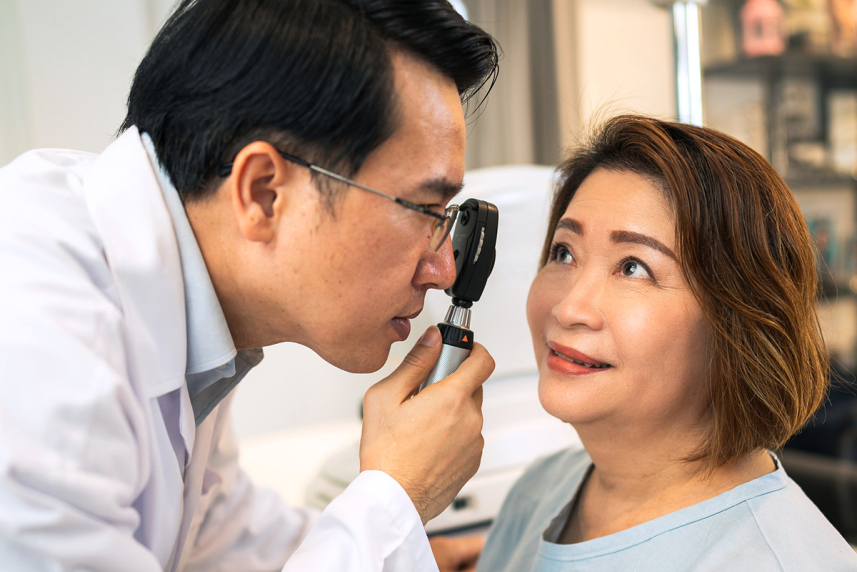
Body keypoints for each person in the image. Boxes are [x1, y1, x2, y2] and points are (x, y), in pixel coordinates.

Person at [0, 1, 499, 570]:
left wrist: (413, 548)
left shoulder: (181, 298)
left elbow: (215, 531)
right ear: (263, 193)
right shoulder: (46, 356)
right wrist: (395, 500)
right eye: (425, 211)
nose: (443, 269)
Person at [476, 115, 857, 571]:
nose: (569, 307)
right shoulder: (539, 491)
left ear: (737, 324)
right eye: (564, 252)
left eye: (633, 267)